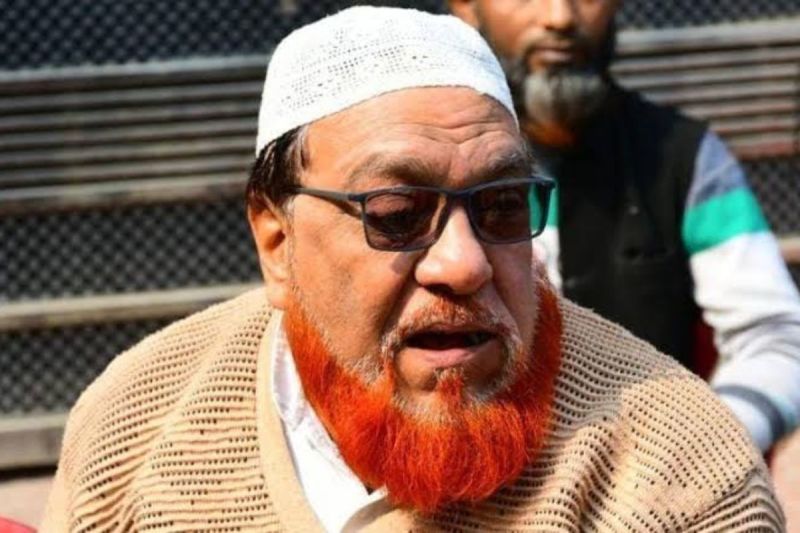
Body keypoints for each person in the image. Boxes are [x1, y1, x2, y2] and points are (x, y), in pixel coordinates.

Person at [42, 7, 783, 532]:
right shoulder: (133, 427)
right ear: (276, 241)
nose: (464, 263)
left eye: (501, 206)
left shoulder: (681, 476)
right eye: (396, 214)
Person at [448, 0, 800, 454]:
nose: (560, 17)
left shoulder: (683, 158)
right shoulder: (431, 167)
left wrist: (703, 449)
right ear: (466, 8)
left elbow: (777, 336)